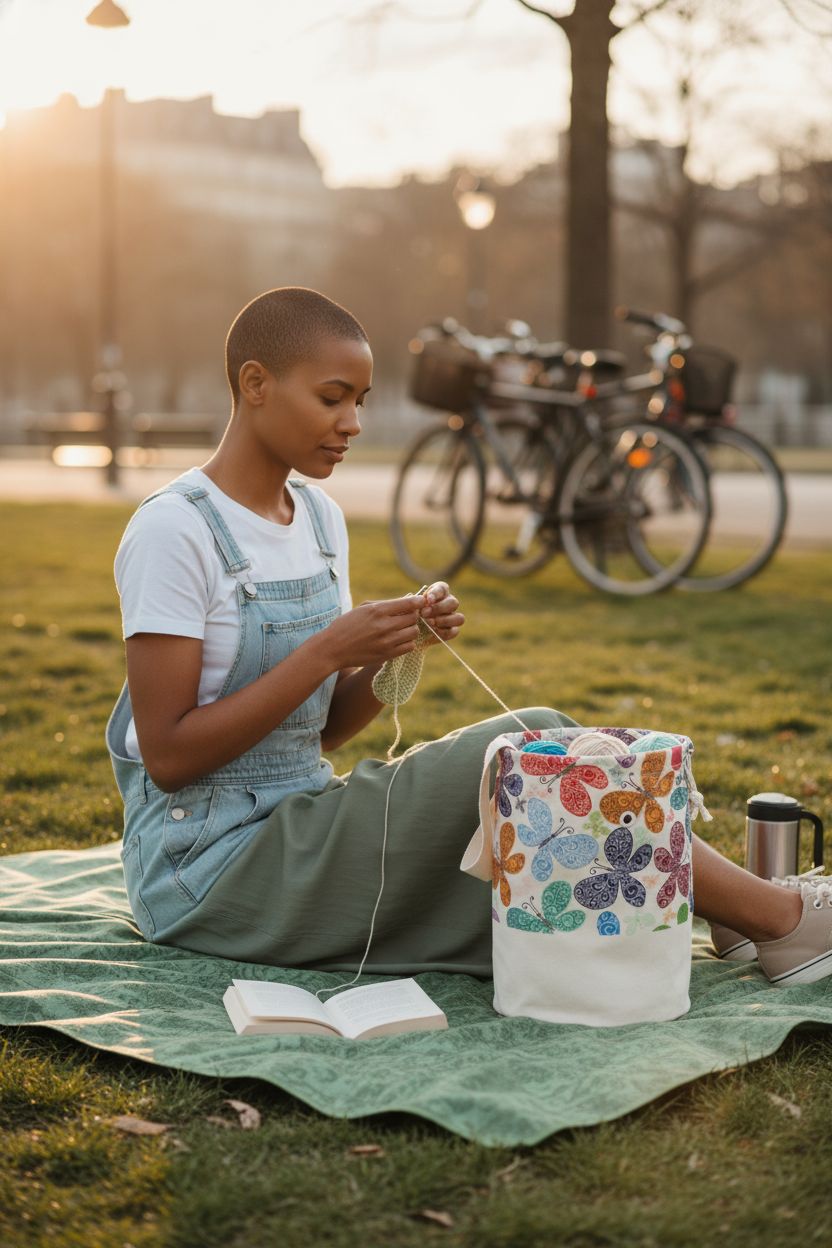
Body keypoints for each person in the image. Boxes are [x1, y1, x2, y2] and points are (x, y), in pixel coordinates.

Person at [106, 286, 832, 987]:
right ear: (255, 384)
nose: (353, 422)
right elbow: (168, 757)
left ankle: (744, 915)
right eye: (332, 398)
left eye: (359, 400)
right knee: (533, 747)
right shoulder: (175, 530)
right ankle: (781, 917)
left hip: (300, 822)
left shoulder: (320, 521)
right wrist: (329, 650)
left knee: (542, 769)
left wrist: (393, 647)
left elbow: (318, 735)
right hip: (204, 867)